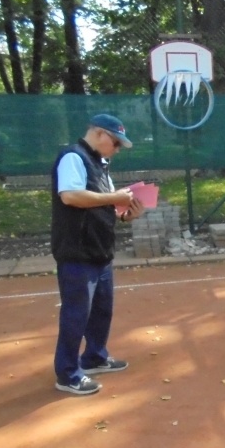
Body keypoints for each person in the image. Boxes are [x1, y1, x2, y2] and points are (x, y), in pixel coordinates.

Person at [51, 113, 145, 396]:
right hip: (77, 251)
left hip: (99, 250)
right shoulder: (73, 157)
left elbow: (105, 205)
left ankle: (94, 356)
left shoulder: (100, 165)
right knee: (76, 314)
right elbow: (71, 196)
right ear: (100, 134)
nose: (116, 149)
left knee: (102, 310)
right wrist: (115, 198)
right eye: (115, 143)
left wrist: (127, 215)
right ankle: (67, 373)